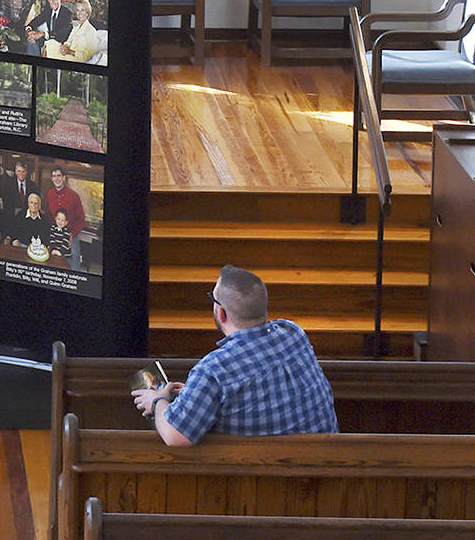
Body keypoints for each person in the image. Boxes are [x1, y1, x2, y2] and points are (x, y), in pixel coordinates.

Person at [133, 265, 338, 445]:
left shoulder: (214, 369)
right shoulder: (292, 333)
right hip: (328, 467)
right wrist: (195, 395)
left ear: (221, 313)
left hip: (263, 483)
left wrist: (157, 400)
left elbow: (174, 436)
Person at [42, 164, 87, 270]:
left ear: (63, 178)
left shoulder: (74, 196)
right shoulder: (49, 194)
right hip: (55, 234)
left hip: (71, 235)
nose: (56, 178)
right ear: (51, 178)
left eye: (58, 176)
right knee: (51, 263)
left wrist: (72, 233)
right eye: (54, 176)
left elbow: (81, 219)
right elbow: (48, 215)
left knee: (74, 265)